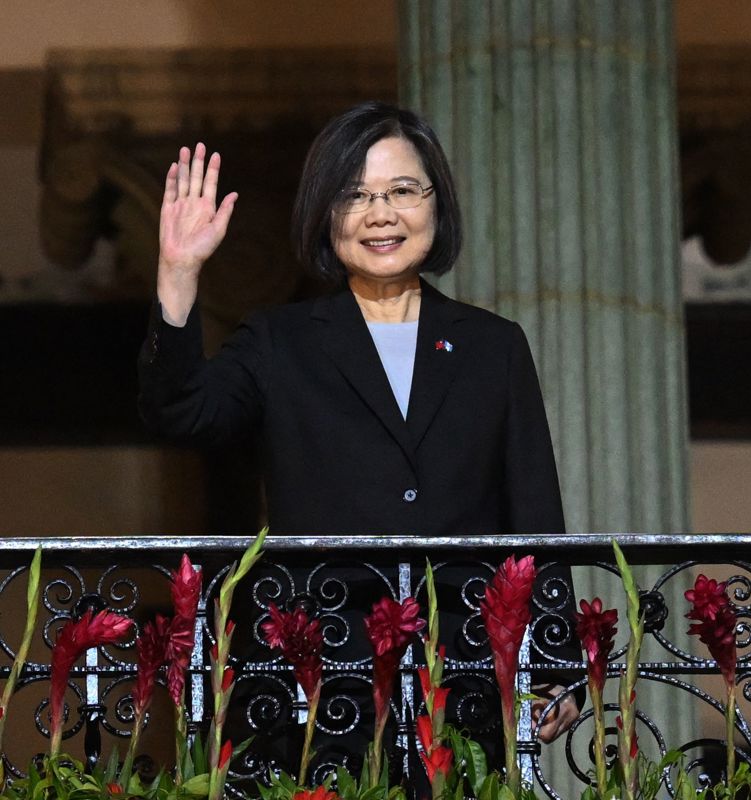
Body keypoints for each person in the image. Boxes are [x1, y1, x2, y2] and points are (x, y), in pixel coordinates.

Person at [138, 102, 579, 765]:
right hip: (322, 682)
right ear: (325, 214)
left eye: (402, 191)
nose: (381, 214)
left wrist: (554, 661)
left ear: (436, 204)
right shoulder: (279, 341)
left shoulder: (494, 346)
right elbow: (182, 412)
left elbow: (535, 511)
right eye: (355, 195)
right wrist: (179, 271)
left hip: (461, 677)